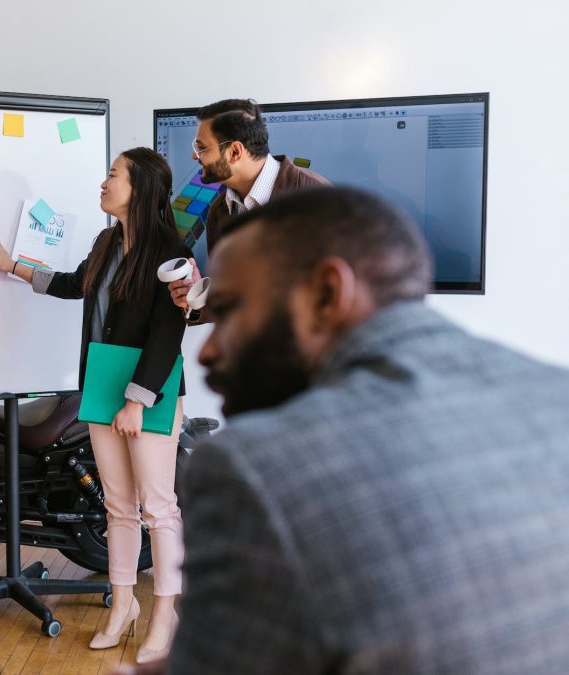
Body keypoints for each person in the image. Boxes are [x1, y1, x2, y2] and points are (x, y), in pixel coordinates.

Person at [120, 186, 569, 674]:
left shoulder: (256, 468)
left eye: (227, 310)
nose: (207, 352)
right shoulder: (554, 396)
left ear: (327, 294)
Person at [0, 148, 189, 664]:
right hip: (100, 382)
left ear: (138, 187)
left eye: (113, 175)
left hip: (149, 388)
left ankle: (165, 612)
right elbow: (76, 285)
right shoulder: (107, 241)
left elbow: (170, 330)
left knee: (158, 509)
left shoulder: (169, 249)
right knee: (117, 507)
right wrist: (14, 268)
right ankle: (123, 607)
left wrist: (139, 400)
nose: (104, 181)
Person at [169, 98, 329, 321]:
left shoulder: (315, 197)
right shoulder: (219, 211)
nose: (194, 155)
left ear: (235, 152)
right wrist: (199, 298)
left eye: (202, 147)